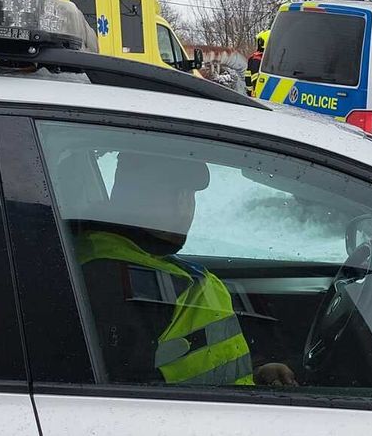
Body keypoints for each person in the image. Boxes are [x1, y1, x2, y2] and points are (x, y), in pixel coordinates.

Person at [76, 151, 296, 387]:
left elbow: (182, 368)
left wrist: (254, 374)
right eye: (176, 193)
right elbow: (130, 397)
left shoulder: (133, 261)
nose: (186, 205)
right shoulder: (115, 283)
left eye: (188, 194)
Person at [244, 30, 269, 97]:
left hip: (258, 93)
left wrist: (249, 92)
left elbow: (248, 79)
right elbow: (253, 78)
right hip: (259, 93)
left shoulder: (255, 58)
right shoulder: (257, 59)